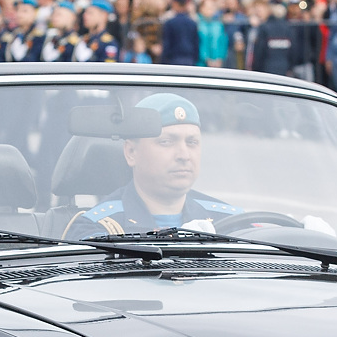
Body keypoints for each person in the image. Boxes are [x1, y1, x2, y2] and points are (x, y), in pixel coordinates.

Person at [65, 91, 240, 236]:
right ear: (131, 152)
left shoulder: (231, 221)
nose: (184, 155)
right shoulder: (98, 227)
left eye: (192, 142)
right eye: (166, 142)